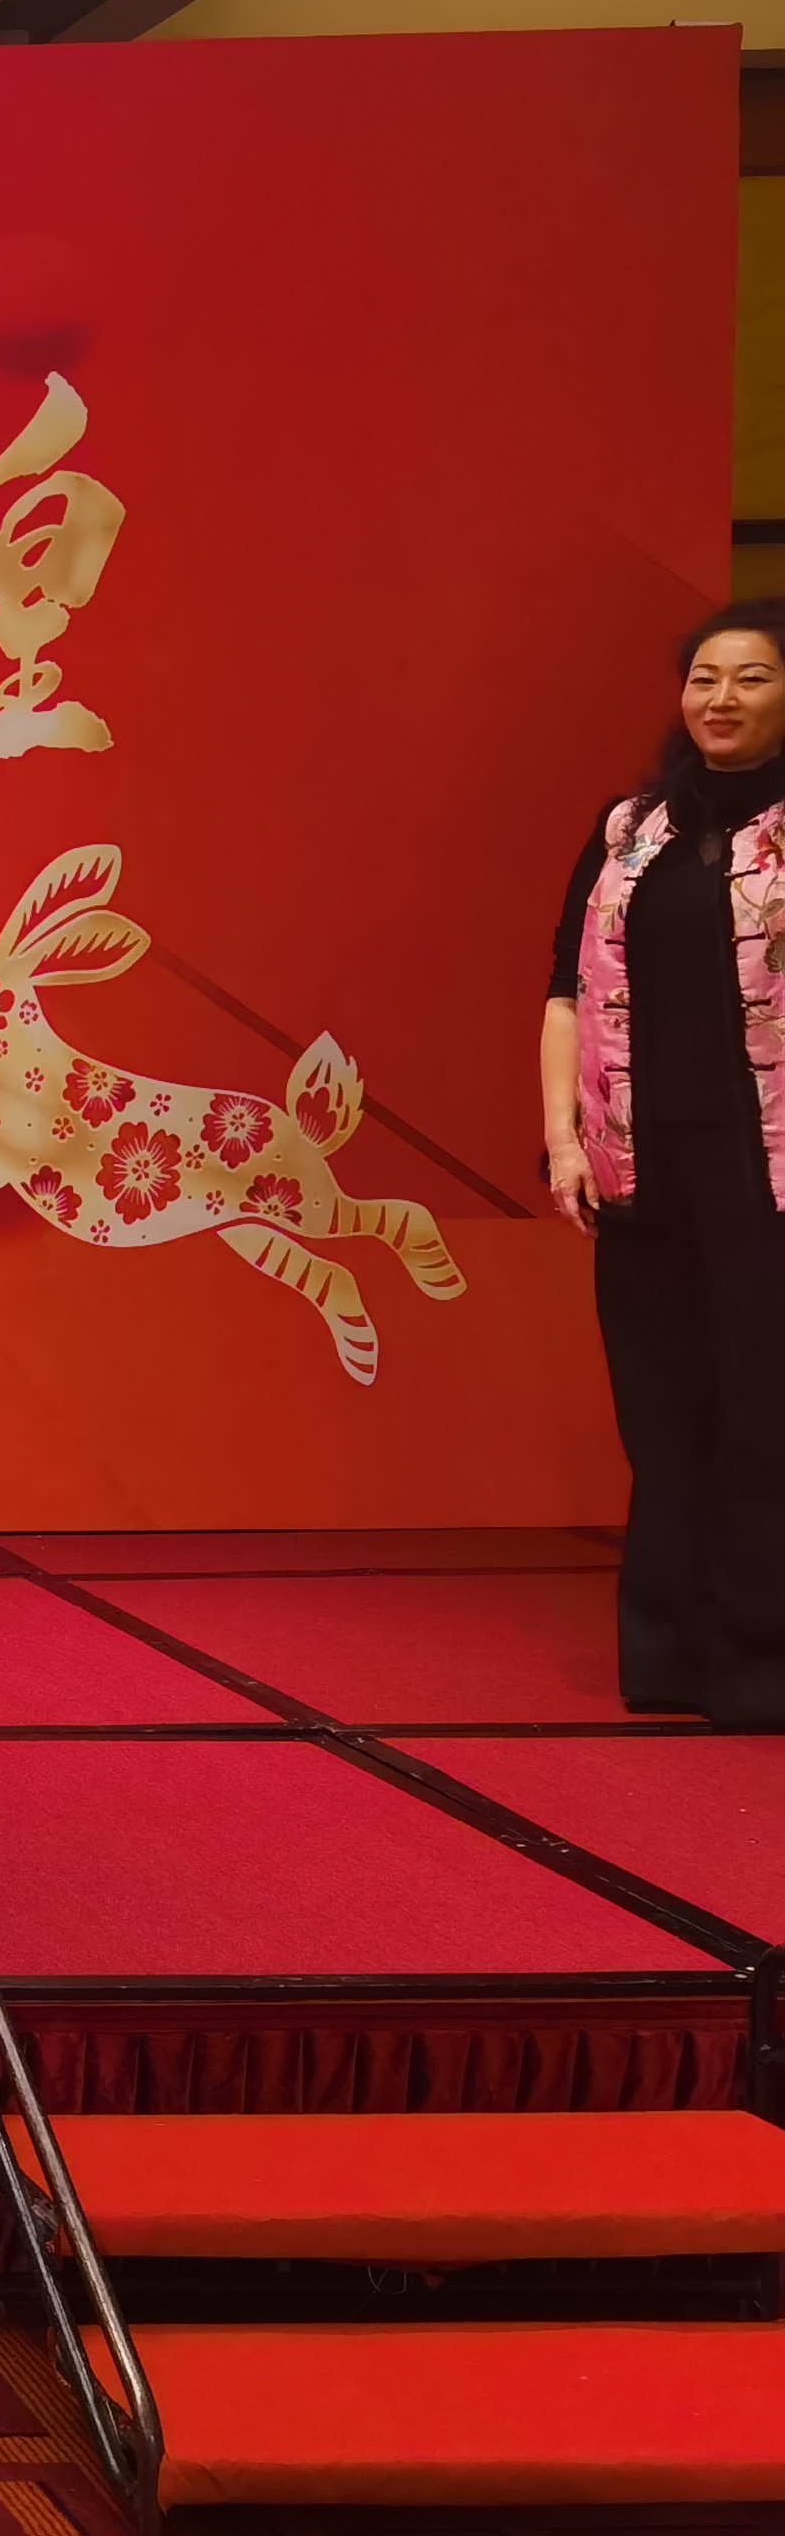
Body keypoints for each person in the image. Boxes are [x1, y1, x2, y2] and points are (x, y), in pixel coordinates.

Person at [545, 604, 785, 1728]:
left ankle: (757, 1659)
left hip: (764, 1170)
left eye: (751, 677)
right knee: (660, 1406)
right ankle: (669, 1651)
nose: (720, 699)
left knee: (762, 1406)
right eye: (704, 678)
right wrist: (563, 1139)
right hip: (640, 1163)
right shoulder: (627, 829)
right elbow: (563, 989)